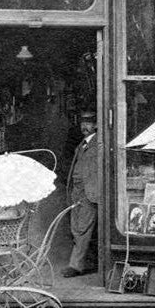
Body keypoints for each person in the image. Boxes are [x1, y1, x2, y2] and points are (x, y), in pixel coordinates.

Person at [61, 110, 100, 278]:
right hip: (78, 192)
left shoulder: (99, 143)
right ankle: (87, 262)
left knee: (82, 228)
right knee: (76, 227)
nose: (85, 125)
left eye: (89, 122)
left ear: (97, 124)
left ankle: (76, 265)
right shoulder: (83, 143)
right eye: (83, 122)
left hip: (90, 192)